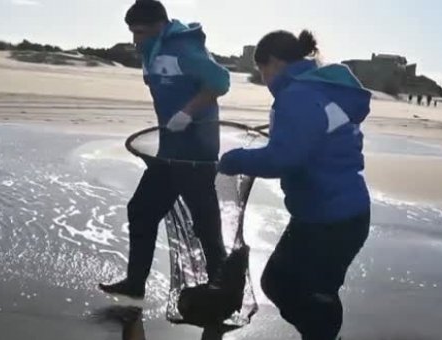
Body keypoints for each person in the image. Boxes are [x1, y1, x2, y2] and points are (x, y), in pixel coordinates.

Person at [218, 30, 371, 340]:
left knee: (304, 290)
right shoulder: (318, 90)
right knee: (285, 283)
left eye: (262, 71)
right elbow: (319, 140)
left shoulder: (298, 96)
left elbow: (283, 159)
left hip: (332, 220)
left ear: (273, 62)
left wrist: (235, 160)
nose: (264, 80)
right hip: (330, 214)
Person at [100, 0, 230, 299]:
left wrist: (187, 113)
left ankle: (222, 291)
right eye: (132, 32)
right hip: (169, 153)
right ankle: (135, 283)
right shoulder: (150, 50)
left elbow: (220, 82)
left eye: (141, 31)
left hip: (197, 153)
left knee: (205, 223)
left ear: (160, 25)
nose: (135, 38)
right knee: (142, 210)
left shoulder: (184, 48)